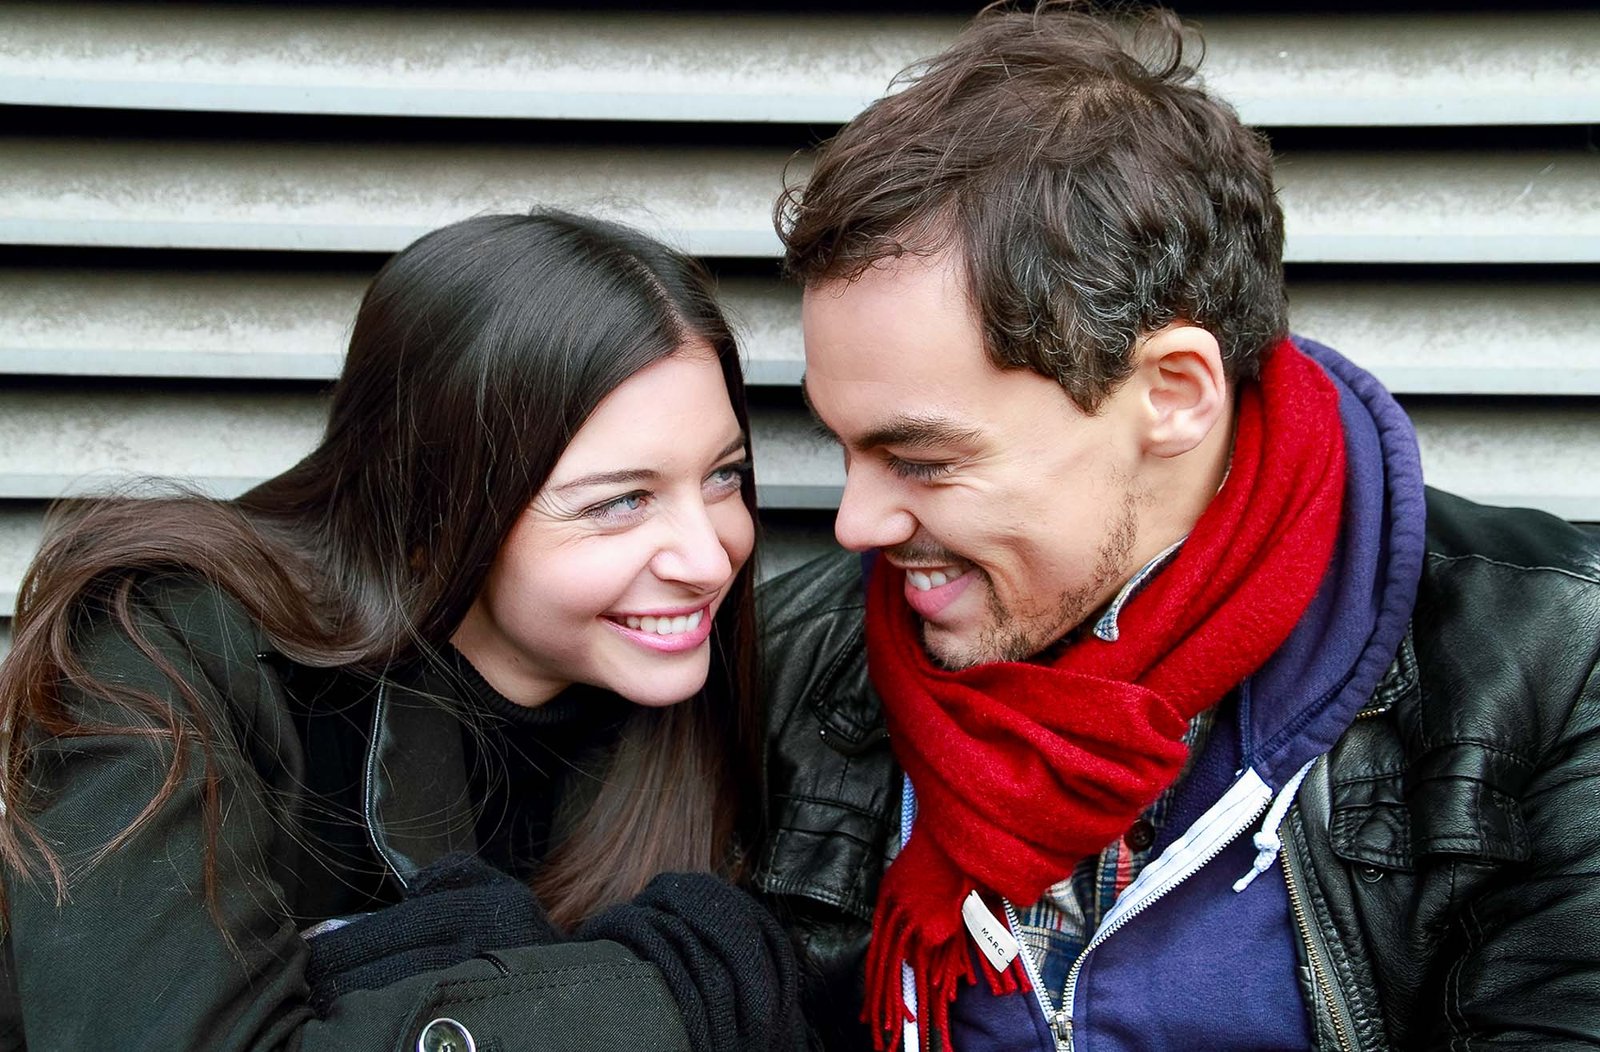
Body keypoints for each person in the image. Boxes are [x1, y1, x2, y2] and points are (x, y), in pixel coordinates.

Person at [754, 5, 1600, 1051]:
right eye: (841, 447)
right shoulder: (792, 661)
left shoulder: (1546, 664)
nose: (853, 522)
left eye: (922, 459)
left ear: (1172, 391)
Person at [0, 211, 805, 1051]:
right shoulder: (168, 646)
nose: (712, 559)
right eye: (621, 501)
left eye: (724, 476)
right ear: (435, 506)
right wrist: (671, 996)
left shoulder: (762, 685)